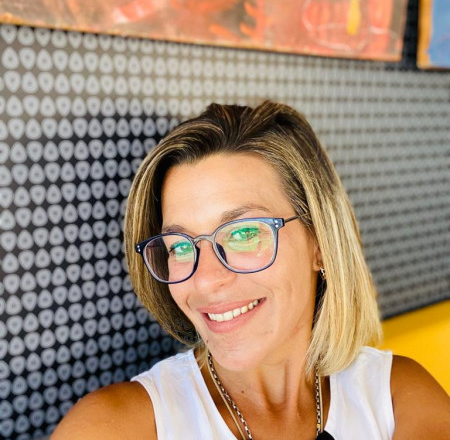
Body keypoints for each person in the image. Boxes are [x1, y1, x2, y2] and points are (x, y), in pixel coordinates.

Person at [53, 101, 449, 439]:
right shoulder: (116, 424)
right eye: (180, 246)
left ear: (320, 244)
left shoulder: (397, 395)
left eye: (244, 233)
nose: (205, 279)